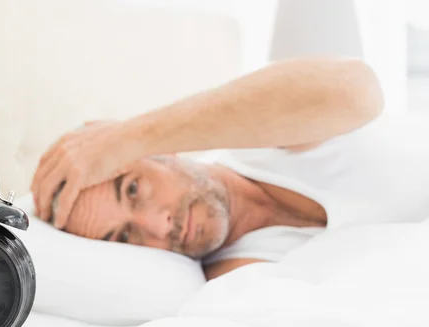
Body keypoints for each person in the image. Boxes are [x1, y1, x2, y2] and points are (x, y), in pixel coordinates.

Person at [30, 56, 429, 280]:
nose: (157, 225)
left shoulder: (266, 140)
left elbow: (356, 91)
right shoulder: (233, 279)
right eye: (123, 239)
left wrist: (128, 137)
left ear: (162, 152)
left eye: (133, 189)